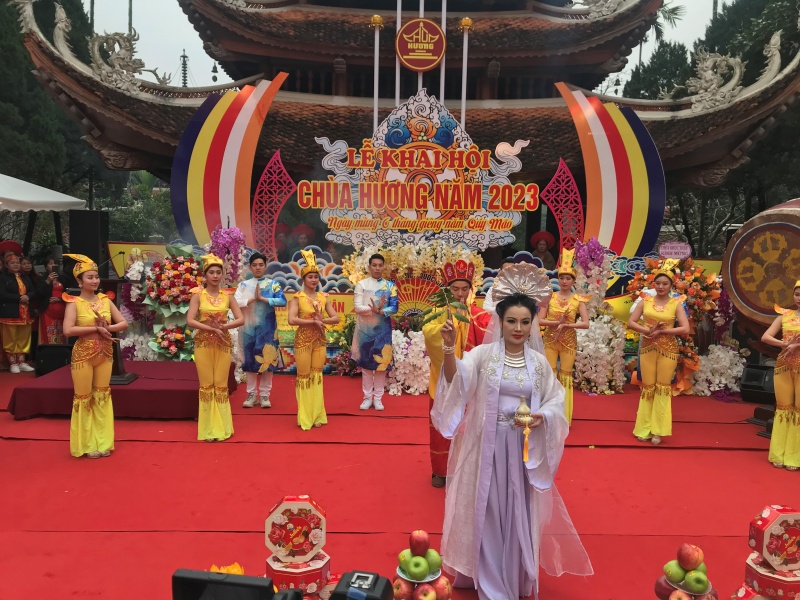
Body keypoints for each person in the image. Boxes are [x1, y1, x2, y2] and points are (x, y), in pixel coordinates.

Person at [432, 264, 592, 599]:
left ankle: (515, 574)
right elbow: (457, 380)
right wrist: (449, 348)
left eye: (524, 321)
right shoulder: (483, 355)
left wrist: (542, 417)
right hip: (486, 448)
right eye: (511, 321)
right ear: (499, 322)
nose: (518, 328)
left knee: (517, 509)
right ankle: (489, 578)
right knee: (487, 509)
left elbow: (555, 400)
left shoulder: (537, 363)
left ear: (532, 323)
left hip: (521, 451)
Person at [423, 259, 491, 488]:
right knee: (442, 425)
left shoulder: (478, 315)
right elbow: (429, 334)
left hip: (470, 384)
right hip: (445, 381)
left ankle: (467, 468)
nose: (460, 294)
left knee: (469, 426)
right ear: (447, 290)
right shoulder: (437, 312)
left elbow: (492, 329)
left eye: (465, 289)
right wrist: (442, 334)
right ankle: (440, 471)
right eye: (455, 289)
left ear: (471, 290)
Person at [62, 254, 128, 458]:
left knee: (102, 395)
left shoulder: (105, 301)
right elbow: (68, 330)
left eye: (96, 277)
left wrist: (107, 327)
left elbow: (123, 324)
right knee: (84, 397)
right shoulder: (74, 302)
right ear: (79, 281)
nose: (94, 281)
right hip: (83, 354)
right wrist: (94, 329)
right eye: (89, 277)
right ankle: (87, 443)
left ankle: (103, 441)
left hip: (105, 353)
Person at [626, 259, 690, 446]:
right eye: (658, 283)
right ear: (653, 284)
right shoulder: (645, 300)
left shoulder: (676, 303)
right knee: (648, 386)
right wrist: (648, 331)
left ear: (671, 286)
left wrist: (663, 331)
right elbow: (631, 322)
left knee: (662, 387)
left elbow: (684, 328)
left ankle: (658, 430)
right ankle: (644, 428)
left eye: (665, 284)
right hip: (647, 347)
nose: (661, 286)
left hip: (668, 350)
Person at [186, 254, 244, 442]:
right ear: (205, 275)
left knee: (220, 384)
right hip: (203, 344)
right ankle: (208, 429)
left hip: (223, 344)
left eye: (218, 272)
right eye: (211, 272)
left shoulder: (228, 296)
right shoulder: (198, 295)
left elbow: (240, 318)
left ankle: (222, 427)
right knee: (207, 384)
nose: (215, 276)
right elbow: (190, 320)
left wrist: (223, 327)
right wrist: (211, 328)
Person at [287, 249, 340, 430]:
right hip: (303, 341)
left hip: (319, 341)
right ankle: (305, 416)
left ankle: (317, 415)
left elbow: (336, 318)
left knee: (317, 376)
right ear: (304, 279)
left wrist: (322, 320)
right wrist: (312, 321)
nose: (313, 280)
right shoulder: (298, 297)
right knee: (303, 377)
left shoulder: (323, 297)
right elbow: (291, 319)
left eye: (316, 277)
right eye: (310, 277)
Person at [538, 248, 589, 425]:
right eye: (561, 278)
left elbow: (585, 323)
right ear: (557, 279)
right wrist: (554, 323)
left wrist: (567, 324)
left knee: (566, 376)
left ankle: (564, 415)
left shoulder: (578, 300)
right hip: (550, 340)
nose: (564, 281)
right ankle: (548, 414)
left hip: (568, 340)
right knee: (550, 375)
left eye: (568, 278)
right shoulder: (549, 297)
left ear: (573, 280)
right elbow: (539, 320)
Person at [235, 252, 287, 408]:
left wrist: (264, 299)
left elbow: (283, 301)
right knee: (249, 360)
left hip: (268, 328)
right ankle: (251, 394)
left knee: (268, 360)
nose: (258, 267)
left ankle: (265, 395)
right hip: (248, 328)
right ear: (250, 267)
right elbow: (235, 302)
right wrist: (252, 299)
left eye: (261, 265)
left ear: (265, 266)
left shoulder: (273, 284)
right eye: (255, 265)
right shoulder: (243, 285)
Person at [761, 281, 800, 470]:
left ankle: (794, 456)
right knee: (784, 408)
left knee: (799, 411)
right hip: (783, 366)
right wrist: (784, 345)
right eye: (798, 294)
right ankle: (778, 453)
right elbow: (766, 337)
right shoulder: (785, 315)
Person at [353, 253, 398, 410]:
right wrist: (373, 310)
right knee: (366, 365)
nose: (377, 268)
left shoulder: (390, 287)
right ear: (369, 267)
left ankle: (378, 398)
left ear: (383, 267)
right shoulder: (362, 285)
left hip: (382, 330)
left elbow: (394, 308)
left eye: (380, 265)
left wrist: (380, 312)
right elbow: (357, 307)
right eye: (374, 265)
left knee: (381, 364)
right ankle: (367, 397)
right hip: (364, 330)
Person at [0, 254, 36, 373]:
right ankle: (12, 363)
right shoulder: (3, 277)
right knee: (10, 338)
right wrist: (20, 298)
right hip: (10, 312)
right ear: (6, 265)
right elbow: (2, 294)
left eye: (17, 262)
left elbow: (32, 291)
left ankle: (21, 362)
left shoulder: (25, 276)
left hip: (25, 313)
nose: (16, 264)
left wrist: (27, 296)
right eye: (12, 263)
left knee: (24, 337)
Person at [38, 257, 68, 344]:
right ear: (46, 267)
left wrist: (60, 299)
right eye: (50, 264)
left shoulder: (64, 278)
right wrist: (47, 281)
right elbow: (39, 294)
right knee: (48, 333)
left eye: (55, 264)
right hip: (47, 310)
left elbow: (70, 294)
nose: (53, 265)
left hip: (63, 311)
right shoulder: (41, 278)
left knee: (61, 333)